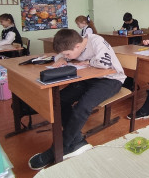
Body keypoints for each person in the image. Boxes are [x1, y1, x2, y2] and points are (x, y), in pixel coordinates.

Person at [28, 29, 126, 170]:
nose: (67, 56)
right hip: (89, 78)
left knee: (82, 107)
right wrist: (61, 58)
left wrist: (88, 61)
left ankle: (59, 148)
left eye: (67, 54)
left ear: (78, 46)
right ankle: (76, 140)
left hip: (111, 79)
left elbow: (104, 63)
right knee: (60, 100)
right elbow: (60, 55)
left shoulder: (96, 41)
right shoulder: (73, 45)